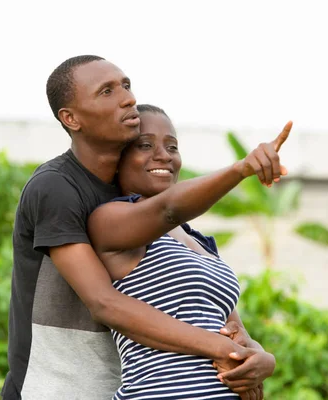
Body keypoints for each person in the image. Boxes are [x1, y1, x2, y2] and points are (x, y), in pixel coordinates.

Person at [2, 55, 283, 399]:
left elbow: (222, 321)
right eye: (106, 91)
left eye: (126, 85)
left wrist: (259, 359)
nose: (127, 97)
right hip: (56, 387)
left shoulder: (143, 210)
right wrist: (226, 352)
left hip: (116, 385)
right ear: (71, 118)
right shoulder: (58, 187)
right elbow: (105, 303)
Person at [87, 104, 288, 399]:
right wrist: (241, 168)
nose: (164, 155)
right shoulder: (109, 220)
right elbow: (168, 209)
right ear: (118, 159)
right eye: (145, 145)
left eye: (172, 147)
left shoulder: (200, 242)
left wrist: (262, 359)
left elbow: (230, 330)